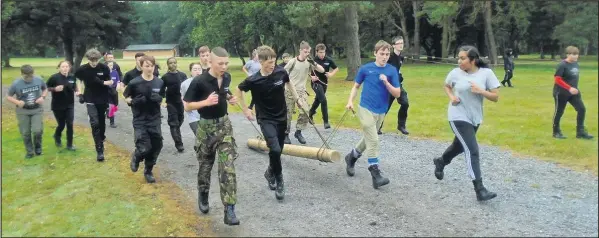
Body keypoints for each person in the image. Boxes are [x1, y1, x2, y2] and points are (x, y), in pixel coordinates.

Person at [236, 45, 306, 201]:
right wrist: (246, 109)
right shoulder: (254, 80)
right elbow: (238, 89)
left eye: (273, 61)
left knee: (277, 150)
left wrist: (297, 99)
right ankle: (279, 179)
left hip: (281, 117)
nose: (272, 65)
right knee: (274, 148)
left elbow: (289, 83)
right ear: (260, 62)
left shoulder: (281, 72)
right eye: (269, 62)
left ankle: (269, 172)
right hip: (265, 119)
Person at [433, 45, 500, 201]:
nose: (459, 61)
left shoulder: (486, 74)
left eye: (463, 58)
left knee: (459, 146)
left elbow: (495, 97)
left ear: (473, 60)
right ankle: (480, 189)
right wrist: (451, 97)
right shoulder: (455, 73)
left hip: (474, 117)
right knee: (472, 150)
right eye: (459, 57)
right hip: (457, 115)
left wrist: (481, 91)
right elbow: (447, 86)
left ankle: (441, 161)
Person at [183, 47, 240, 226]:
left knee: (228, 168)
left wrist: (230, 98)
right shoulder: (199, 81)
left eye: (226, 63)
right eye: (220, 63)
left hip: (224, 127)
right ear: (210, 62)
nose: (224, 66)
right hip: (205, 129)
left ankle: (229, 208)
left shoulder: (227, 77)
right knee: (205, 166)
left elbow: (225, 92)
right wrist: (205, 102)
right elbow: (187, 106)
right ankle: (203, 193)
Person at [344, 40, 402, 190]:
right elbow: (356, 87)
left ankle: (351, 157)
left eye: (387, 54)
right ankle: (375, 173)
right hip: (365, 108)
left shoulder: (391, 71)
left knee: (368, 138)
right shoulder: (365, 69)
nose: (384, 57)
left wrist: (386, 82)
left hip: (381, 110)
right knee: (374, 139)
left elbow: (397, 93)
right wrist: (350, 101)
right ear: (375, 53)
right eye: (381, 54)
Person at [123, 55, 166, 183]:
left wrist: (159, 99)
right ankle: (136, 156)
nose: (149, 68)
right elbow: (126, 97)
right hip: (140, 119)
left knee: (157, 145)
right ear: (141, 66)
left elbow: (162, 96)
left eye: (152, 66)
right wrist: (133, 101)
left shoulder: (159, 82)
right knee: (144, 147)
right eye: (147, 66)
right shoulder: (134, 82)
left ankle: (148, 170)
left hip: (154, 118)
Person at [283, 41, 325, 144]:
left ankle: (298, 132)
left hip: (302, 92)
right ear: (300, 50)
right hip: (290, 91)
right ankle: (285, 134)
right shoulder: (292, 62)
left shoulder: (309, 62)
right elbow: (283, 73)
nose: (307, 53)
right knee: (287, 114)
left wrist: (314, 63)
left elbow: (322, 70)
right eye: (305, 51)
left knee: (306, 111)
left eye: (308, 52)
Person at [75, 49, 113, 162]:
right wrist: (80, 93)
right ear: (88, 59)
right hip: (90, 98)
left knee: (101, 123)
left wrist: (101, 82)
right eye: (92, 60)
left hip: (102, 98)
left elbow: (111, 82)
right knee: (94, 123)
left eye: (96, 60)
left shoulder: (104, 68)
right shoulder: (83, 69)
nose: (94, 63)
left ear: (99, 59)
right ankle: (99, 151)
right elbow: (78, 80)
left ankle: (101, 137)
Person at [6, 65, 48, 158]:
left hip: (37, 109)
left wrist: (43, 97)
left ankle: (38, 148)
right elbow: (8, 96)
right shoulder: (16, 84)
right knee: (25, 133)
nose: (29, 78)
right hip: (23, 111)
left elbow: (45, 89)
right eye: (26, 77)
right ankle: (29, 152)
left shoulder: (38, 79)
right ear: (22, 74)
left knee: (37, 131)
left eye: (31, 76)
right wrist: (17, 102)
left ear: (33, 73)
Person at [552, 46, 593, 140]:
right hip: (561, 93)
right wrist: (569, 88)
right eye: (573, 54)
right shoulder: (562, 65)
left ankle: (580, 132)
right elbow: (557, 79)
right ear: (568, 54)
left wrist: (574, 89)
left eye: (577, 54)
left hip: (573, 93)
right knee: (559, 112)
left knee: (582, 109)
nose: (575, 56)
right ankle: (556, 132)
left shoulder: (576, 64)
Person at [379, 36, 410, 135]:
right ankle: (377, 127)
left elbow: (397, 69)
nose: (401, 45)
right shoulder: (389, 57)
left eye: (402, 43)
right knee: (384, 108)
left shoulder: (401, 57)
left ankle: (401, 125)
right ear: (393, 45)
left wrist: (399, 75)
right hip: (388, 86)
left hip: (397, 86)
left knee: (405, 103)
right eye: (398, 43)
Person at [46, 61, 78, 151]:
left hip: (70, 105)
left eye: (67, 66)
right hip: (58, 105)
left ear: (69, 68)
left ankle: (69, 145)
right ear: (59, 68)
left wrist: (77, 91)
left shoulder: (72, 77)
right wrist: (54, 89)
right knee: (61, 125)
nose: (65, 68)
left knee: (70, 124)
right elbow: (46, 87)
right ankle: (57, 136)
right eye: (63, 67)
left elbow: (74, 86)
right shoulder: (54, 77)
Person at [160, 57, 187, 152]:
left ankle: (175, 131)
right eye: (171, 63)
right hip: (171, 103)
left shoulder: (182, 75)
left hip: (180, 102)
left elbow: (187, 88)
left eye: (174, 62)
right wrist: (162, 101)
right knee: (173, 123)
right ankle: (179, 144)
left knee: (180, 119)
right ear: (168, 65)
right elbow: (161, 91)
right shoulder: (165, 77)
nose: (173, 64)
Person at [308, 43, 339, 129]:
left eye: (323, 52)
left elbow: (336, 68)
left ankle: (310, 113)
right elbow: (307, 70)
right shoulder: (313, 60)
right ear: (317, 52)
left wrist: (331, 74)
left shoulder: (328, 60)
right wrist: (311, 77)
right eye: (320, 52)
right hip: (315, 83)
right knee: (323, 100)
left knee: (318, 100)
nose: (322, 54)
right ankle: (326, 122)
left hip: (324, 83)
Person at [181, 62, 203, 138]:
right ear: (191, 71)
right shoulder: (185, 84)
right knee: (200, 137)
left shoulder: (207, 82)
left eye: (199, 69)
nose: (197, 71)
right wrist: (185, 106)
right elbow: (183, 96)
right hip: (193, 116)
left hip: (206, 115)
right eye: (195, 69)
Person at [107, 61, 120, 128]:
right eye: (109, 65)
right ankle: (112, 123)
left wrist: (118, 85)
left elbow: (118, 80)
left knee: (115, 105)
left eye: (111, 65)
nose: (110, 67)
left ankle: (108, 111)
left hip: (114, 91)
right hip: (107, 91)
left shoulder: (115, 72)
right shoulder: (105, 73)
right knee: (111, 106)